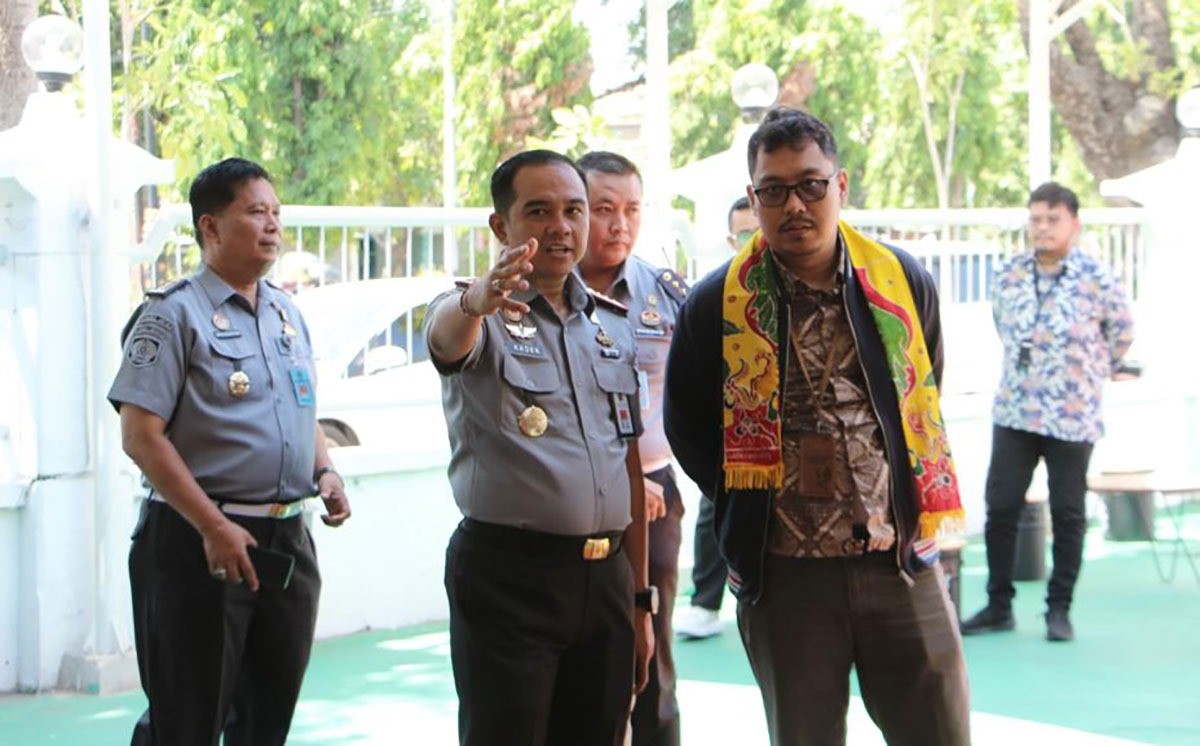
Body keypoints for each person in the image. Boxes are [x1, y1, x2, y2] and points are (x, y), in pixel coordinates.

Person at [664, 107, 971, 745]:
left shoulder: (899, 281)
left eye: (811, 184)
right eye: (773, 191)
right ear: (754, 198)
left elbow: (924, 387)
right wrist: (744, 502)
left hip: (898, 564)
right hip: (786, 578)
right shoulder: (717, 303)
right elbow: (688, 426)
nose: (794, 205)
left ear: (841, 187)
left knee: (939, 731)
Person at [110, 157, 352, 746]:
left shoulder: (286, 313)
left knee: (266, 720)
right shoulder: (171, 315)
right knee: (187, 721)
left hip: (285, 544)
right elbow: (140, 436)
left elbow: (299, 408)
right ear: (210, 227)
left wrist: (324, 469)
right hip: (200, 544)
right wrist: (213, 525)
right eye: (254, 212)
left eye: (275, 213)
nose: (271, 226)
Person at [425, 149, 655, 746]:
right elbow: (446, 338)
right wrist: (476, 299)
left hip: (606, 578)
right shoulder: (479, 311)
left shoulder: (610, 325)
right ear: (502, 226)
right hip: (512, 578)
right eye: (539, 210)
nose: (561, 226)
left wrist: (639, 600)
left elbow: (626, 462)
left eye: (574, 210)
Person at [961, 182, 1135, 643]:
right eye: (1036, 218)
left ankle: (1059, 610)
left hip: (1072, 413)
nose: (1042, 227)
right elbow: (1004, 325)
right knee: (1000, 508)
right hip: (1017, 409)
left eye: (1052, 219)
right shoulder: (1011, 273)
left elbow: (1122, 331)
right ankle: (999, 605)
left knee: (1069, 513)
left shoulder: (1097, 277)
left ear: (1073, 225)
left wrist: (1092, 368)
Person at [575, 151, 687, 746]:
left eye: (632, 210)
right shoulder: (542, 293)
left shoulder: (663, 293)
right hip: (574, 500)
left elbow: (701, 390)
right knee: (584, 657)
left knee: (653, 649)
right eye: (603, 209)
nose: (619, 224)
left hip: (655, 492)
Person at [675, 196, 760, 642]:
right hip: (732, 437)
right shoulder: (714, 296)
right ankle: (706, 603)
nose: (755, 241)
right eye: (746, 234)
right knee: (716, 510)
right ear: (732, 240)